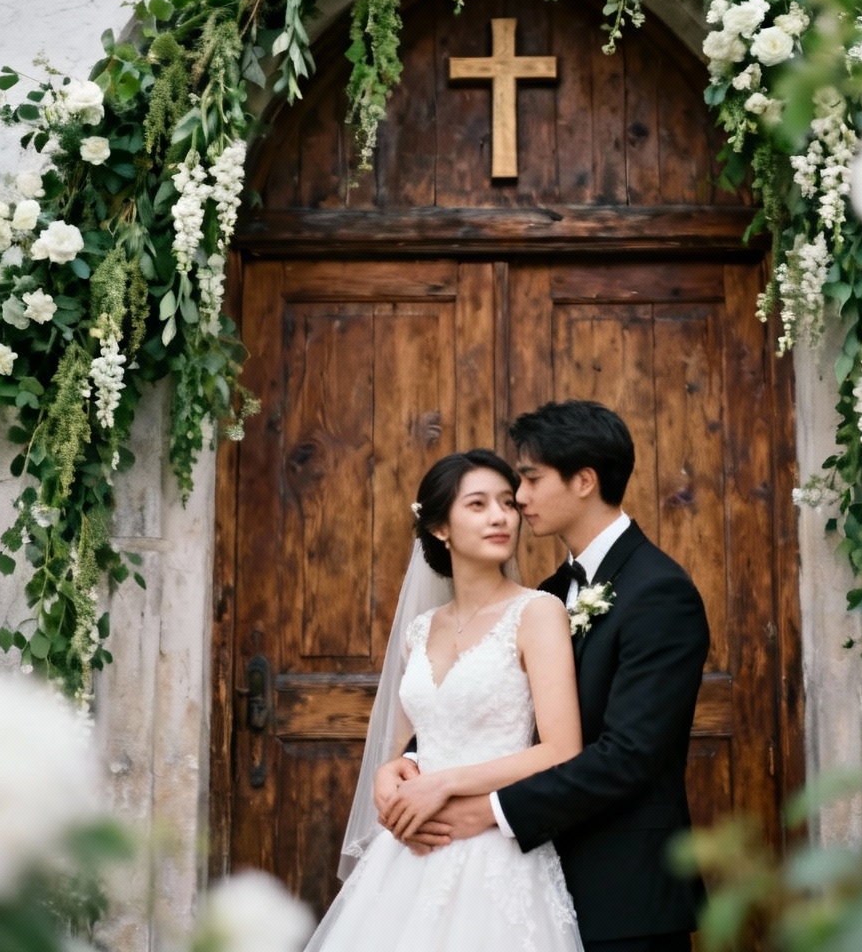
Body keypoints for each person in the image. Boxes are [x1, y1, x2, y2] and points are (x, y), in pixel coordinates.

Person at [378, 400, 711, 952]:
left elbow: (628, 754)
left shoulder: (660, 593)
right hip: (532, 878)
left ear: (583, 481)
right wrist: (409, 762)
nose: (520, 501)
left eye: (528, 481)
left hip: (624, 891)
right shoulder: (549, 594)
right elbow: (494, 704)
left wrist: (486, 812)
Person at [302, 448, 585, 952]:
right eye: (477, 505)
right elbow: (409, 744)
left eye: (507, 503)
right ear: (440, 528)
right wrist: (389, 775)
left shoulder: (538, 613)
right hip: (411, 851)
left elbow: (561, 750)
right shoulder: (418, 630)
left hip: (496, 852)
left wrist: (443, 785)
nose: (500, 516)